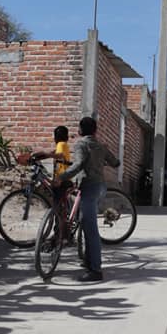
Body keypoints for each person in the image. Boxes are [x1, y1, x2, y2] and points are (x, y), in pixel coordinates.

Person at [57, 116, 120, 283]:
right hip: (100, 187)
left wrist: (61, 177)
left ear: (79, 130)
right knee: (85, 222)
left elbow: (77, 165)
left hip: (89, 188)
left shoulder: (81, 144)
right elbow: (116, 163)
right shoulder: (100, 145)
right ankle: (87, 259)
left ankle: (95, 270)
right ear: (95, 130)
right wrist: (99, 161)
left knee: (90, 230)